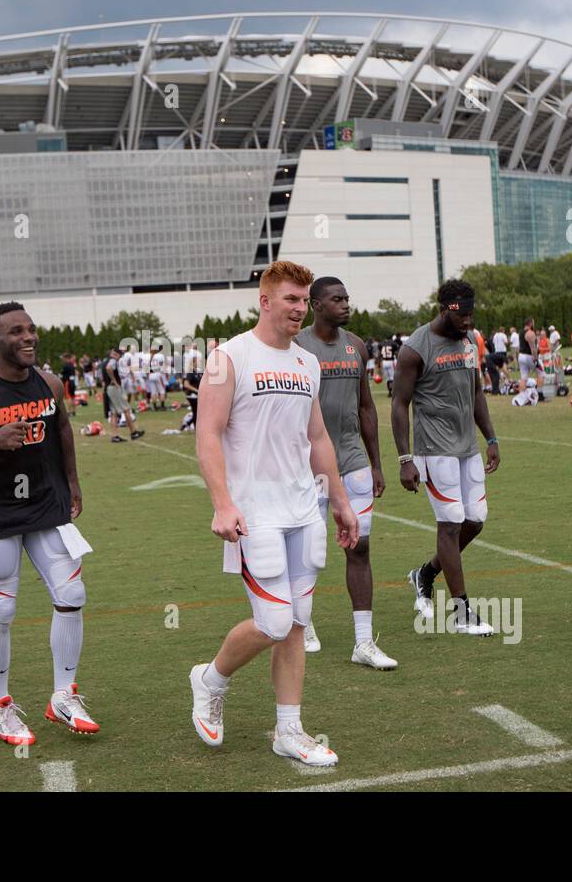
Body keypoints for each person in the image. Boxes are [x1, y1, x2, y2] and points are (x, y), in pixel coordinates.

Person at [189, 260, 357, 767]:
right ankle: (210, 678)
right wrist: (222, 502)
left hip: (303, 508)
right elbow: (208, 434)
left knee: (299, 620)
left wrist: (342, 504)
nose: (300, 309)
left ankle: (289, 729)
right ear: (265, 301)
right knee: (275, 620)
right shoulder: (228, 357)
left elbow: (317, 438)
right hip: (253, 513)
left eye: (305, 301)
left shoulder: (307, 362)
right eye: (291, 300)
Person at [0, 301, 98, 746]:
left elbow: (62, 428)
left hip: (47, 508)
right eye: (16, 331)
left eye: (31, 329)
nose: (28, 337)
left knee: (72, 594)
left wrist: (72, 482)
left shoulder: (49, 383)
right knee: (2, 609)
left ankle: (64, 695)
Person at [295, 277, 397, 669]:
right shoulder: (297, 346)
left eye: (347, 298)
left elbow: (367, 406)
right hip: (307, 466)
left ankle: (363, 643)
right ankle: (303, 624)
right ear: (316, 305)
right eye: (336, 299)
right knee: (309, 551)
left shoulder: (355, 345)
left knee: (361, 547)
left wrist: (376, 463)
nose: (345, 304)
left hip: (353, 462)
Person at [395, 280, 500, 636]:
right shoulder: (416, 347)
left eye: (472, 313)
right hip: (433, 451)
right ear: (445, 309)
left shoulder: (468, 341)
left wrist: (492, 438)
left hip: (467, 447)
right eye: (463, 314)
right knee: (451, 522)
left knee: (476, 520)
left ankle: (426, 573)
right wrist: (404, 459)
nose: (469, 321)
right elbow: (398, 404)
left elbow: (476, 391)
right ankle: (462, 612)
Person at [103, 348, 144, 442]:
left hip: (109, 388)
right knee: (126, 409)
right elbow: (108, 368)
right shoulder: (112, 361)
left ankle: (115, 436)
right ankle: (134, 432)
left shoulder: (106, 360)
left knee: (113, 413)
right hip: (114, 388)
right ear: (117, 354)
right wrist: (115, 381)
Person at [518, 318, 538, 382]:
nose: (534, 324)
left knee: (524, 377)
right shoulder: (530, 333)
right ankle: (540, 391)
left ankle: (523, 392)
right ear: (530, 324)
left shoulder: (521, 332)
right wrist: (535, 357)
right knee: (541, 372)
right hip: (528, 356)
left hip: (521, 356)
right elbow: (532, 347)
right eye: (533, 323)